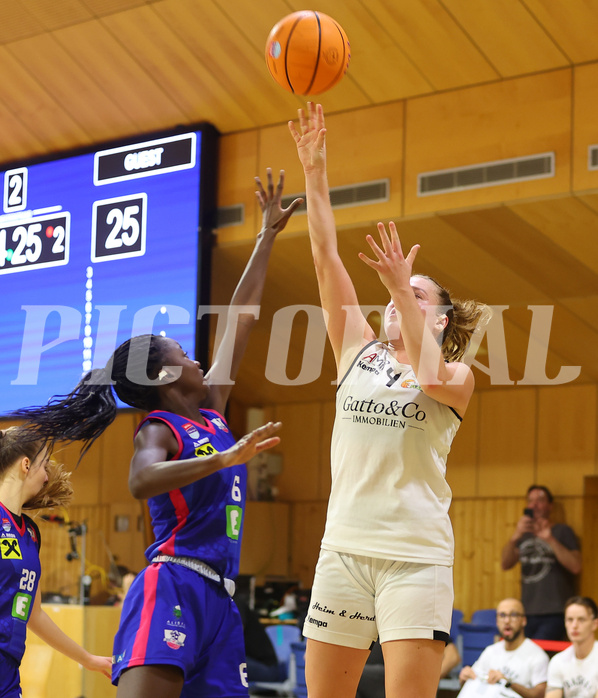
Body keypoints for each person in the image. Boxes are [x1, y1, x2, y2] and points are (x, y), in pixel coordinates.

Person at [8, 169, 302, 698]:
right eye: (183, 353)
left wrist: (267, 237)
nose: (195, 357)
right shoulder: (157, 429)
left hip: (219, 597)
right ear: (165, 375)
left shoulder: (211, 406)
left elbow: (242, 318)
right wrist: (224, 459)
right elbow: (142, 482)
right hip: (173, 582)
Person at [289, 102, 490, 698]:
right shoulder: (356, 349)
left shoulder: (457, 372)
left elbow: (428, 379)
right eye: (402, 292)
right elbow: (325, 255)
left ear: (443, 317)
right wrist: (314, 171)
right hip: (344, 550)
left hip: (415, 558)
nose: (403, 296)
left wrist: (404, 287)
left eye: (422, 294)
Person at [0, 426, 112, 697]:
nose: (47, 476)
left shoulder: (30, 533)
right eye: (44, 466)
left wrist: (88, 659)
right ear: (26, 465)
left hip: (8, 673)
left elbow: (34, 614)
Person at [501, 485, 581, 640]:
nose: (534, 505)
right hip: (526, 610)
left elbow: (576, 566)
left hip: (554, 611)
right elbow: (505, 564)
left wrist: (549, 539)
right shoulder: (523, 535)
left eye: (540, 500)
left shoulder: (562, 531)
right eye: (530, 501)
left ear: (550, 506)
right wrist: (515, 536)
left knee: (538, 651)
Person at [458, 598, 548, 697]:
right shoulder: (490, 651)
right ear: (497, 621)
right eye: (502, 615)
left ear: (523, 620)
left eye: (513, 615)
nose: (507, 621)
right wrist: (465, 678)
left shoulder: (537, 655)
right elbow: (472, 683)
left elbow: (540, 695)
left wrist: (508, 683)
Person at [355, 637, 461, 698]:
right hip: (370, 682)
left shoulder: (412, 621)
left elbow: (453, 657)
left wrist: (427, 680)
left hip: (394, 677)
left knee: (353, 677)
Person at [546, 596, 598, 698]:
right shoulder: (558, 661)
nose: (574, 625)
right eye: (570, 620)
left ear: (594, 624)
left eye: (581, 620)